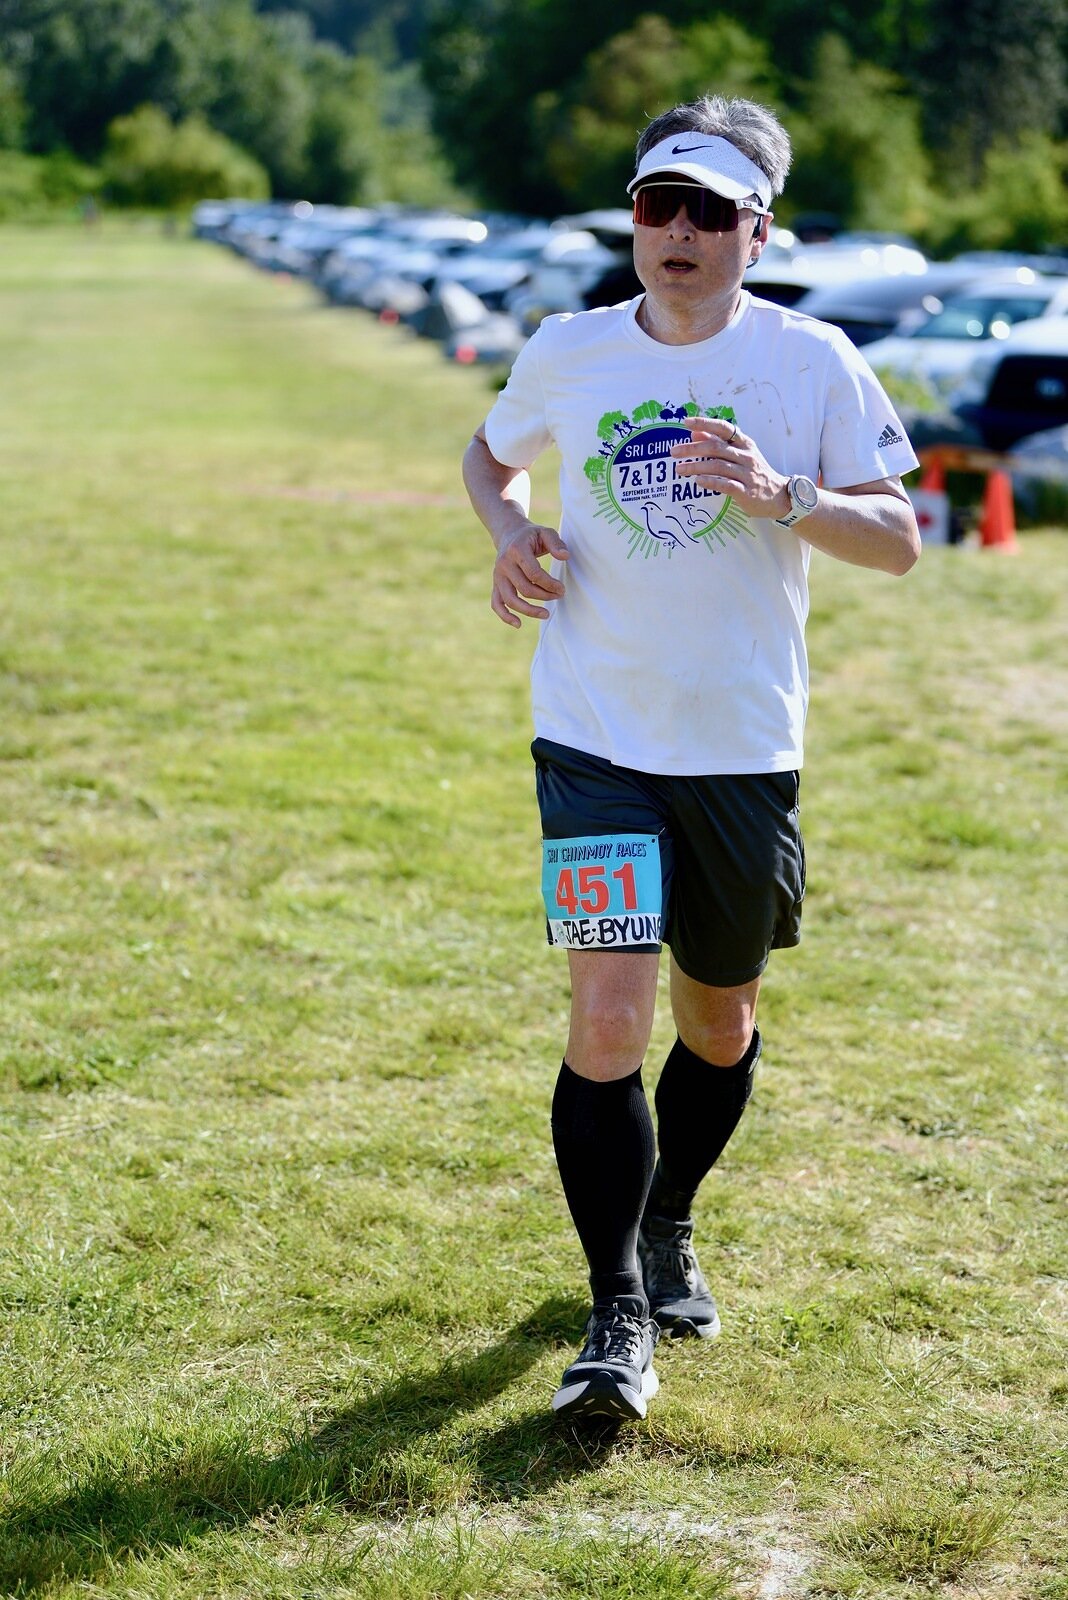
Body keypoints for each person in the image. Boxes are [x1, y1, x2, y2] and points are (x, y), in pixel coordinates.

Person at [462, 95, 920, 1424]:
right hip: (595, 736)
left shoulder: (812, 361)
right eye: (656, 205)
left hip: (739, 747)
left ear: (755, 235)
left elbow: (898, 537)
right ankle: (615, 1311)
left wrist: (786, 496)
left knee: (718, 1023)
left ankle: (668, 1218)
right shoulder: (571, 348)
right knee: (608, 1022)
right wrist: (512, 532)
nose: (676, 231)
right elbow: (490, 458)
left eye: (708, 213)